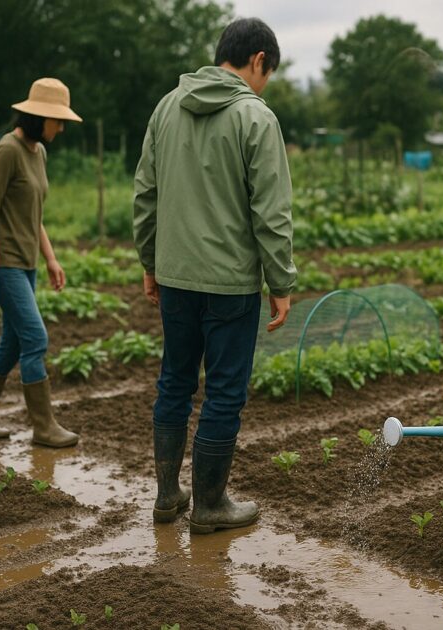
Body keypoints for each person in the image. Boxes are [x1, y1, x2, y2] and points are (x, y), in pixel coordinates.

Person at [134, 17, 295, 534]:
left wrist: (150, 261)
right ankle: (210, 505)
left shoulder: (166, 107)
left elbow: (145, 195)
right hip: (229, 284)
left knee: (175, 380)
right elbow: (271, 212)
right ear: (258, 62)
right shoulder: (255, 117)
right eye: (267, 73)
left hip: (176, 277)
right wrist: (281, 282)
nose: (264, 82)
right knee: (224, 391)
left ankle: (166, 496)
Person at [0, 78, 82, 449]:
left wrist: (50, 258)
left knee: (13, 342)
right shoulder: (7, 151)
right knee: (35, 338)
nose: (61, 128)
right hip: (3, 265)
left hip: (26, 263)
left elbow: (35, 214)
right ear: (39, 117)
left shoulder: (37, 153)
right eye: (57, 121)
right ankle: (44, 427)